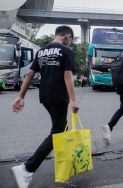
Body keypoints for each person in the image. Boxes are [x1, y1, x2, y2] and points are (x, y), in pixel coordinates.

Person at [10, 26, 78, 188]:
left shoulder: (41, 51)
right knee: (57, 132)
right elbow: (67, 75)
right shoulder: (66, 50)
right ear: (67, 36)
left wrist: (21, 96)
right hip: (59, 96)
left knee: (62, 128)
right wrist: (73, 100)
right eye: (70, 39)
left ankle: (63, 162)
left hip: (45, 96)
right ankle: (27, 168)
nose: (70, 42)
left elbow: (29, 74)